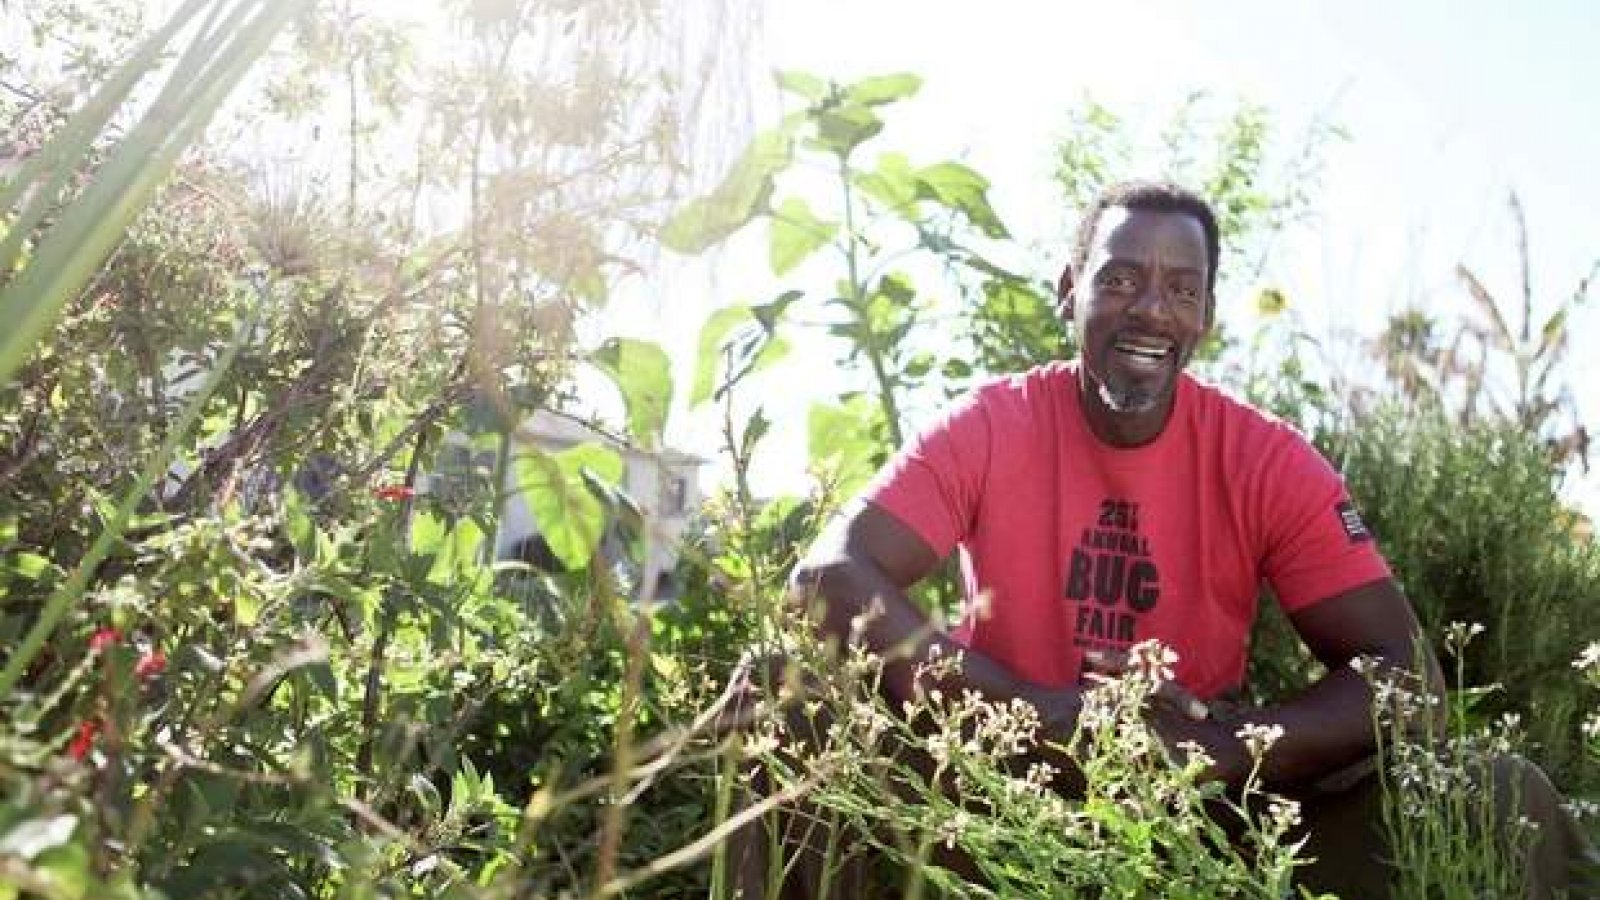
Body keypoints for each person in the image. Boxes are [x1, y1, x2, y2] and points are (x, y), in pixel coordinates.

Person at [728, 180, 1594, 899]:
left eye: (1183, 289)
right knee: (777, 691)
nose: (1152, 308)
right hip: (990, 801)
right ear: (1069, 289)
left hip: (1200, 824)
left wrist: (1225, 744)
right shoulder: (995, 424)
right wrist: (1039, 714)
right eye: (1120, 280)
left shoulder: (1265, 458)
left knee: (1494, 796)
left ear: (1208, 316)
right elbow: (828, 578)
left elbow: (1408, 680)